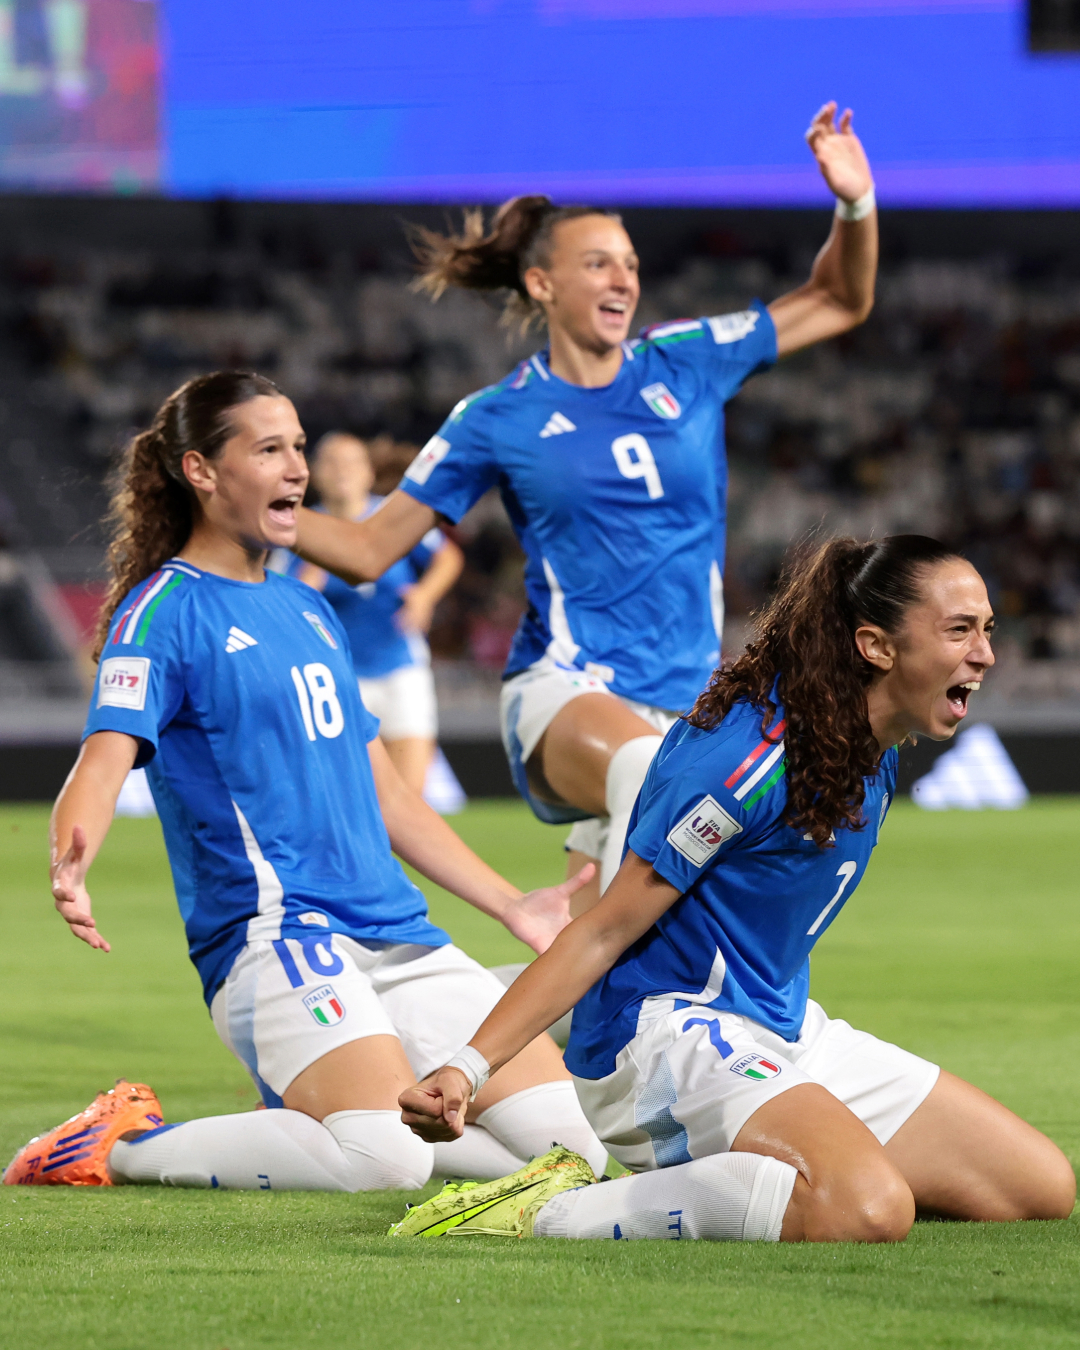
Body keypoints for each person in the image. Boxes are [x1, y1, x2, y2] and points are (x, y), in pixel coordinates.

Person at [3, 371, 607, 1192]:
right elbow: (105, 754)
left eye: (297, 448)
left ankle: (309, 1116)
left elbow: (386, 792)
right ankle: (117, 1144)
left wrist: (507, 903)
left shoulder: (310, 608)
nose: (296, 468)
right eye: (268, 449)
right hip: (277, 939)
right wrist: (71, 852)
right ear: (201, 472)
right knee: (384, 1161)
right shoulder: (163, 610)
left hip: (400, 938)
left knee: (579, 1158)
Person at [389, 535, 1075, 1242]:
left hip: (778, 1026)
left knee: (1038, 1186)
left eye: (987, 629)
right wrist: (468, 1070)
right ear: (876, 646)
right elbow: (604, 929)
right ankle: (551, 1209)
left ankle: (763, 1180)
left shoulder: (874, 743)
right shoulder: (749, 760)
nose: (985, 653)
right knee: (868, 1209)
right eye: (960, 630)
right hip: (661, 1034)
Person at [291, 102, 879, 908]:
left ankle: (420, 1030)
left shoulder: (688, 362)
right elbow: (366, 550)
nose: (624, 278)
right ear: (543, 284)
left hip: (690, 700)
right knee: (662, 786)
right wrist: (252, 510)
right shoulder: (498, 416)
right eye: (599, 263)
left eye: (629, 262)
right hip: (569, 688)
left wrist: (853, 205)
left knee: (595, 986)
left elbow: (841, 300)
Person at [289, 431, 464, 796]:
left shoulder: (388, 517)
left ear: (369, 472)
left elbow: (447, 557)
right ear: (314, 474)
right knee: (344, 796)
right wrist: (308, 584)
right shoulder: (298, 528)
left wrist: (424, 596)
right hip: (336, 679)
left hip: (399, 665)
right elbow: (277, 599)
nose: (341, 471)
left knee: (408, 794)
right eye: (331, 462)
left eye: (351, 462)